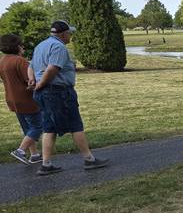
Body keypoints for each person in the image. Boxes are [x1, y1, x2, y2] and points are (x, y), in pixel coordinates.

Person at [31, 21, 109, 175]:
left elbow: (31, 66)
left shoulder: (41, 46)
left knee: (49, 127)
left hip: (45, 93)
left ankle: (46, 164)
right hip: (58, 92)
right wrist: (40, 84)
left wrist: (34, 82)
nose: (70, 36)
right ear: (62, 34)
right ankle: (89, 159)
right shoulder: (58, 47)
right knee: (75, 124)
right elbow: (53, 68)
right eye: (69, 33)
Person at [0, 34, 41, 164]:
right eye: (21, 44)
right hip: (27, 99)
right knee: (38, 126)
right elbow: (31, 81)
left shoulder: (2, 60)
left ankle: (34, 155)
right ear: (17, 46)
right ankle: (20, 150)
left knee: (28, 129)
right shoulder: (20, 61)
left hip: (12, 99)